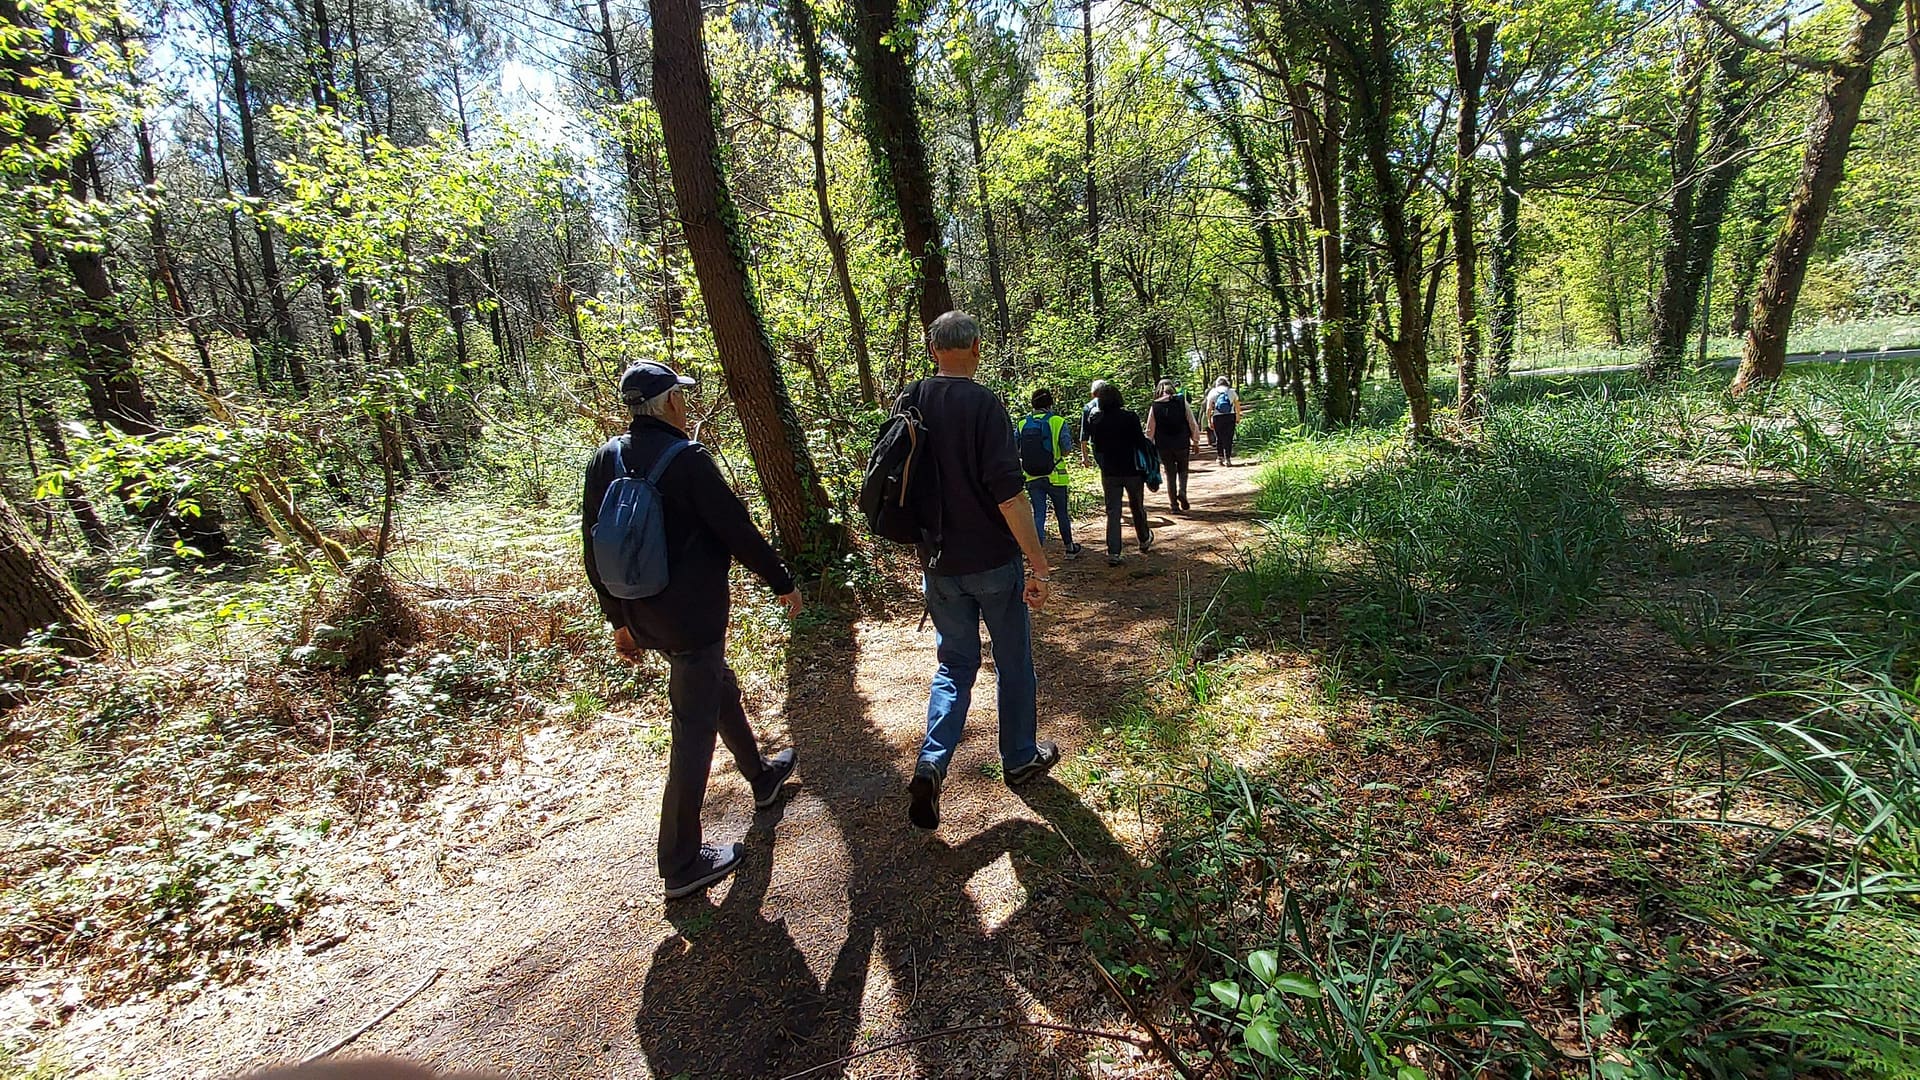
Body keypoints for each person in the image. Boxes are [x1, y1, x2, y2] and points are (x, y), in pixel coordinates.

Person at [582, 361, 802, 900]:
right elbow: (736, 529)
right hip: (692, 616)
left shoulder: (605, 459)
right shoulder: (687, 460)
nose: (685, 404)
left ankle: (762, 777)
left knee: (710, 682)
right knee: (692, 728)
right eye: (680, 397)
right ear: (671, 405)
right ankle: (681, 861)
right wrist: (782, 581)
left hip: (641, 611)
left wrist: (619, 622)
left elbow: (592, 546)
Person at [905, 311, 1059, 832]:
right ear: (974, 347)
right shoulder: (985, 404)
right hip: (993, 564)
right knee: (1013, 661)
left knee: (954, 666)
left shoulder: (910, 401)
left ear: (932, 349)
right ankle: (1019, 756)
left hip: (939, 565)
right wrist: (1038, 563)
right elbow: (1011, 495)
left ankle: (932, 761)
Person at [1084, 382, 1154, 566]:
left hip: (1109, 471)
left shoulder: (1096, 420)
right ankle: (1144, 539)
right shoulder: (1129, 417)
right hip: (1132, 470)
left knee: (1113, 512)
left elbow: (1097, 447)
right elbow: (1140, 442)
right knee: (1137, 505)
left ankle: (1114, 552)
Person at [1018, 388, 1084, 558]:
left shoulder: (1022, 423)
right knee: (1062, 513)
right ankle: (1069, 548)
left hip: (1032, 476)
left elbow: (1016, 449)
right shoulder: (1058, 421)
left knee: (1039, 513)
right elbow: (1067, 450)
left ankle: (1037, 552)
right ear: (1050, 403)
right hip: (1056, 476)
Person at [1145, 378, 1200, 513]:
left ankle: (1174, 505)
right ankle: (1182, 492)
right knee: (1183, 470)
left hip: (1164, 446)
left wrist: (1148, 446)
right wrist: (1196, 440)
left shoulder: (1155, 406)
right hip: (1182, 443)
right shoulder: (1182, 402)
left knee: (1170, 474)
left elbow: (1150, 429)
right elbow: (1191, 422)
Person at [1204, 376, 1243, 466]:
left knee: (1219, 438)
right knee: (1229, 438)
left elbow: (1209, 409)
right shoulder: (1231, 392)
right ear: (1227, 383)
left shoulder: (1212, 392)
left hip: (1217, 417)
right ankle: (1228, 459)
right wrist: (1238, 417)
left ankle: (1220, 457)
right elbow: (1237, 405)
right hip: (1230, 416)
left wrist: (1209, 420)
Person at [1078, 379, 1106, 467]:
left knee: (1106, 472)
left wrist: (1085, 457)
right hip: (1117, 445)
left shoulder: (1088, 407)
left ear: (1093, 393)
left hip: (1098, 447)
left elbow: (1084, 434)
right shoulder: (1115, 404)